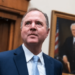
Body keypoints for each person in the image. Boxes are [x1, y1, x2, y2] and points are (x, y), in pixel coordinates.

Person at [0, 8, 63, 75]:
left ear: (47, 32)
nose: (33, 27)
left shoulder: (56, 66)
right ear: (21, 30)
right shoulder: (2, 60)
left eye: (38, 23)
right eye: (28, 23)